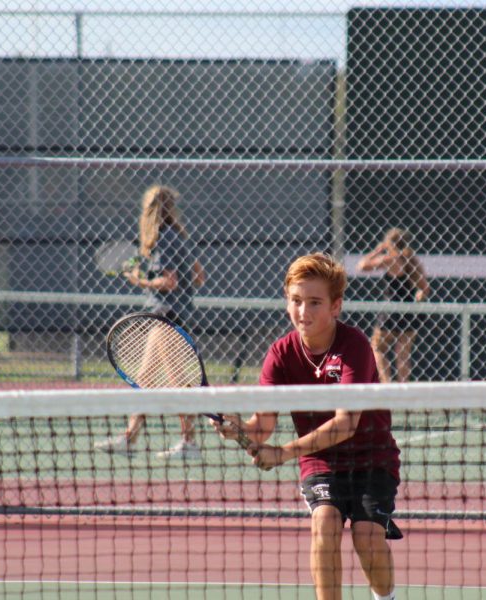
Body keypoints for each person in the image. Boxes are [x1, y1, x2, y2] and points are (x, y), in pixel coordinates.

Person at [213, 253, 401, 600]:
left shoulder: (355, 346)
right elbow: (262, 428)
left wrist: (282, 454)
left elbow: (345, 424)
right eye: (296, 301)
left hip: (373, 460)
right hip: (321, 463)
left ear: (335, 307)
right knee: (325, 525)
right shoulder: (280, 354)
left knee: (367, 537)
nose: (303, 311)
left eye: (315, 302)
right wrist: (240, 429)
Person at [95, 184, 206, 460]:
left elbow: (170, 281)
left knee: (178, 380)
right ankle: (129, 439)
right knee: (144, 379)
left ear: (149, 210)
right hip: (171, 315)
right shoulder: (179, 237)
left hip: (166, 316)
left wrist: (139, 280)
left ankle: (189, 443)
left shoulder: (165, 239)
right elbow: (199, 276)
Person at [357, 228, 430, 383]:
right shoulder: (413, 261)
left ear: (389, 244)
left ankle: (387, 384)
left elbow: (362, 265)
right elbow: (424, 288)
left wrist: (377, 251)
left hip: (392, 311)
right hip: (410, 311)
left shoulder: (390, 260)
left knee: (378, 347)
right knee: (403, 353)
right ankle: (403, 387)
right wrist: (418, 296)